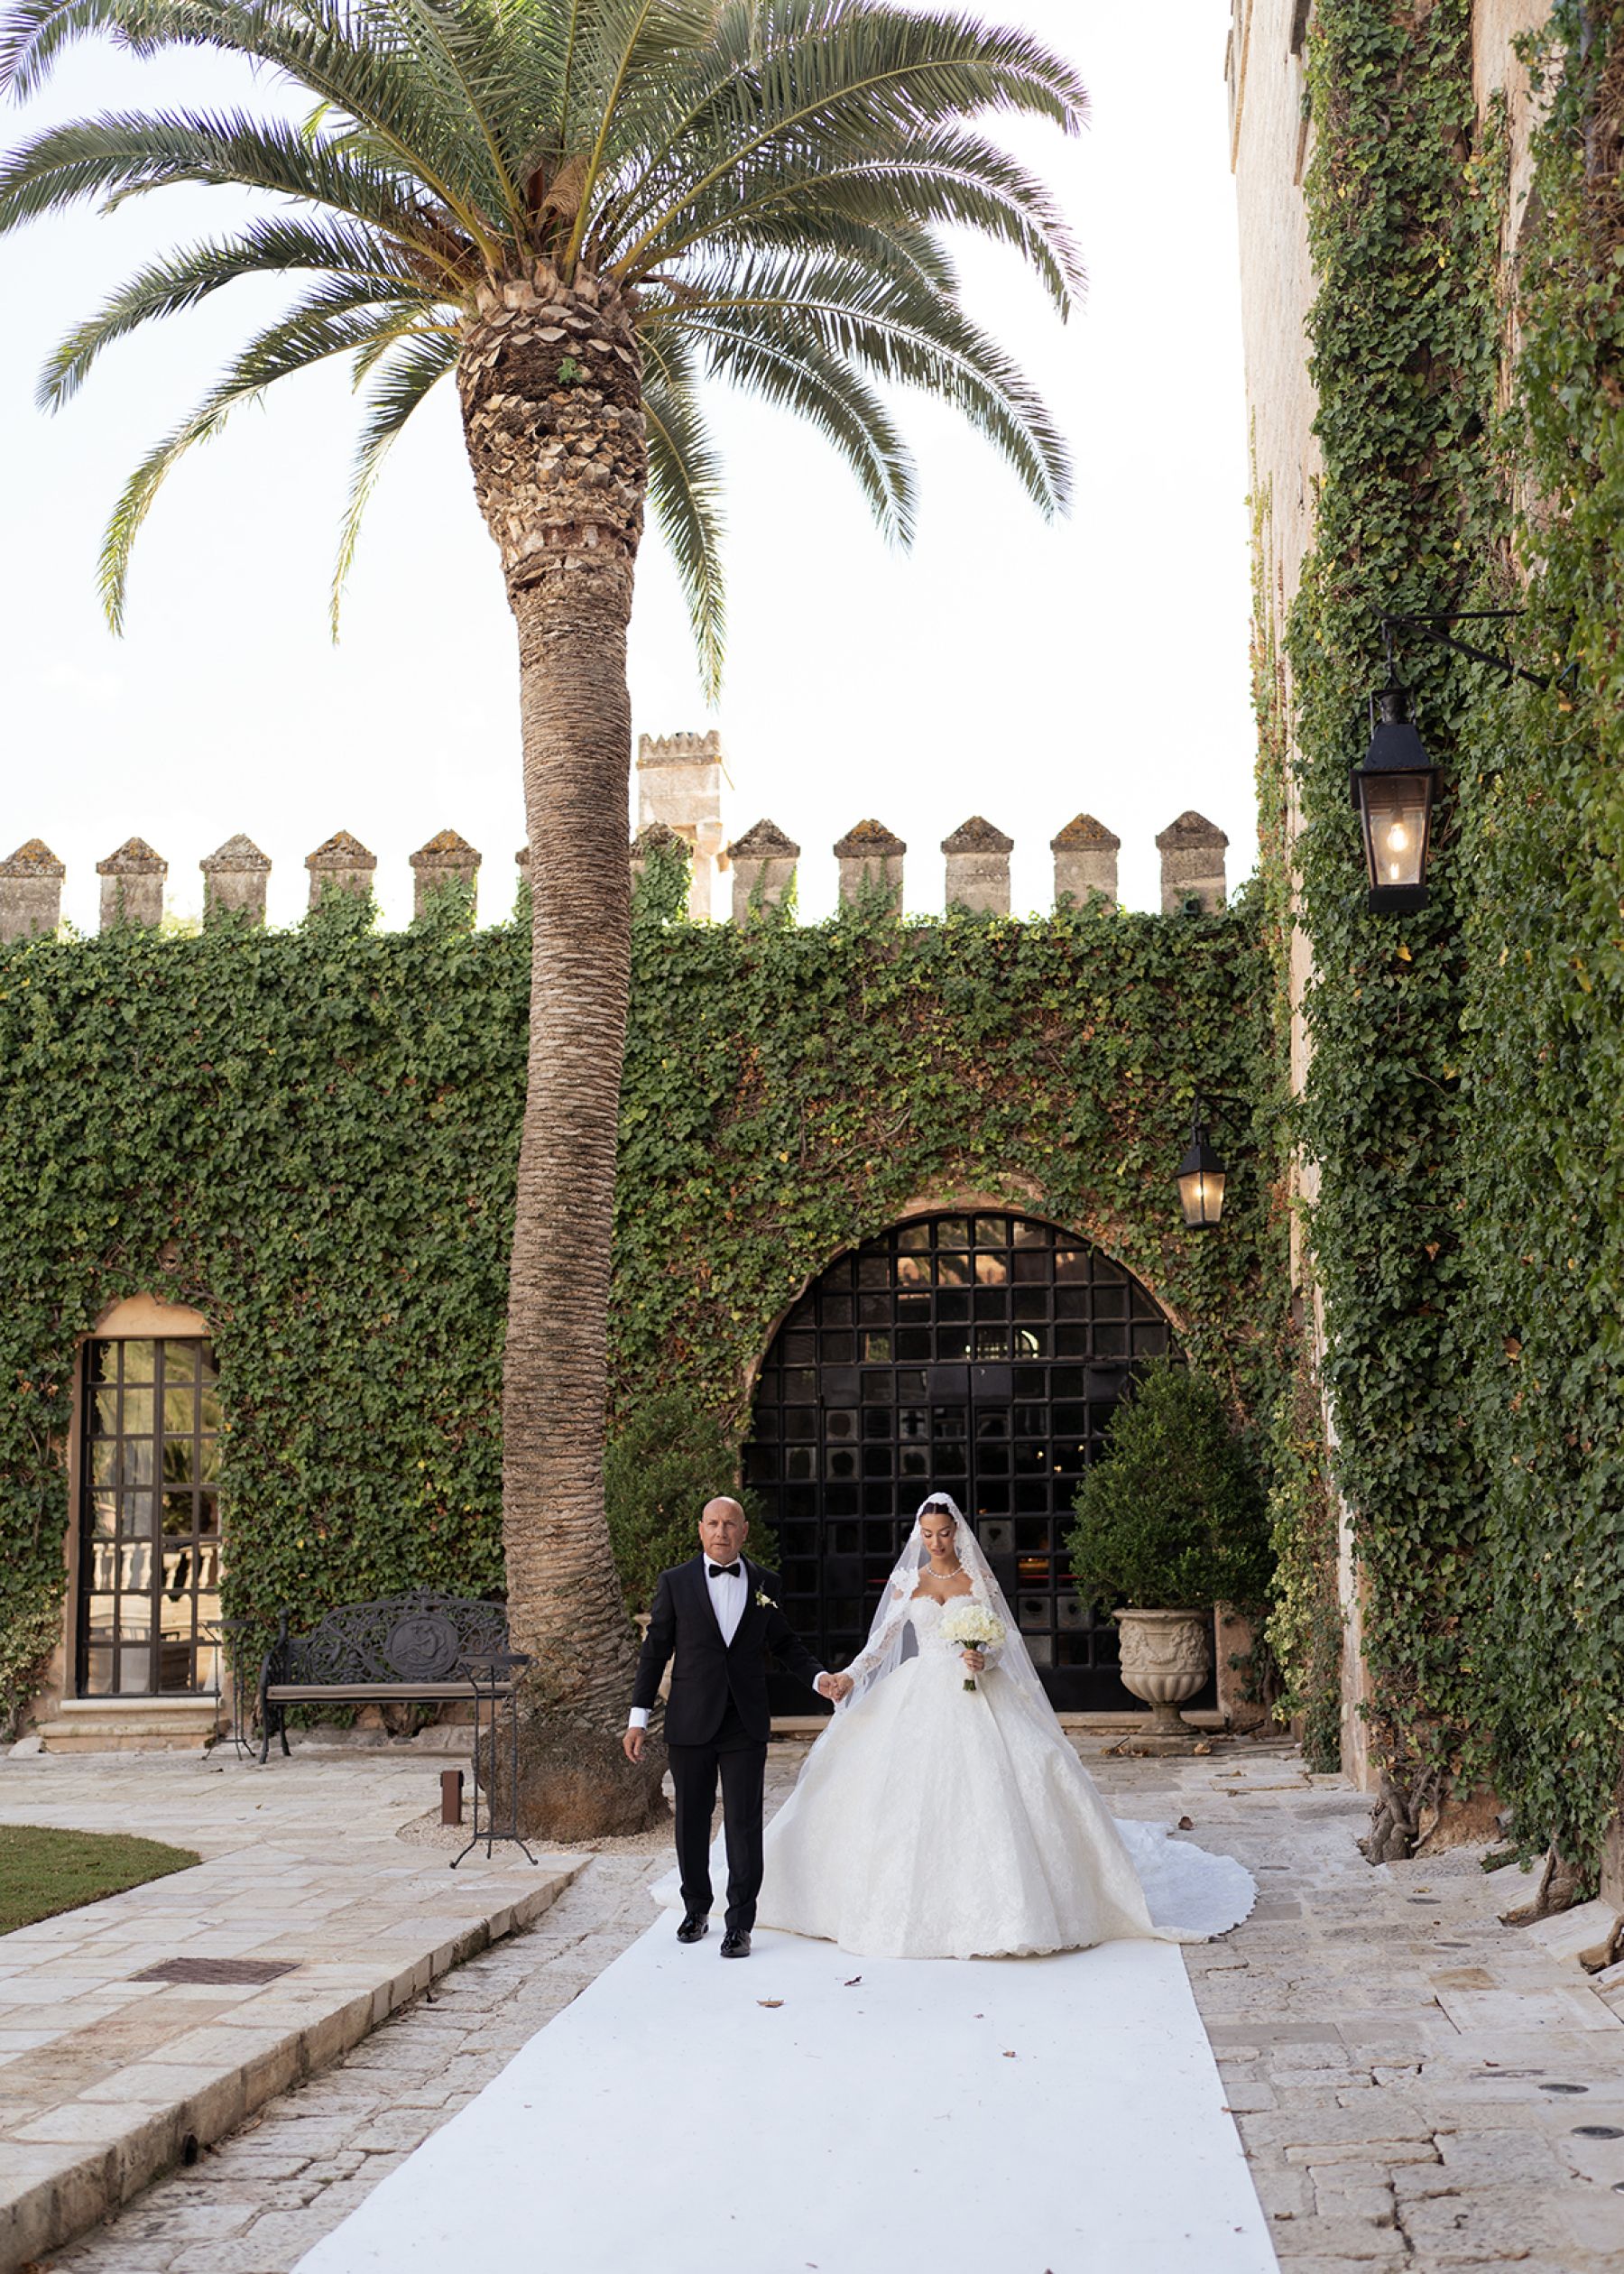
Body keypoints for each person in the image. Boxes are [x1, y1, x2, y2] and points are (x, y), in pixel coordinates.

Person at [741, 1493, 1256, 1958]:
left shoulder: (976, 1580)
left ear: (958, 1533)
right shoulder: (908, 1581)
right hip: (918, 1694)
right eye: (928, 1535)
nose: (937, 1542)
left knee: (1014, 1779)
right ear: (918, 1537)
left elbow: (1003, 1638)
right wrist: (848, 1677)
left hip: (977, 1690)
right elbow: (881, 1642)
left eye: (944, 1533)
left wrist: (982, 1660)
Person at [624, 1495, 846, 1959]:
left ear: (744, 1531)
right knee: (691, 1819)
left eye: (730, 1524)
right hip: (690, 1719)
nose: (721, 1531)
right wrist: (638, 1718)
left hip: (745, 1720)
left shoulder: (766, 1582)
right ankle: (696, 1907)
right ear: (700, 1530)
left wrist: (818, 1678)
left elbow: (786, 1643)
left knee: (744, 1824)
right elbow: (655, 1652)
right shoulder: (675, 1583)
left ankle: (740, 1923)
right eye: (713, 1523)